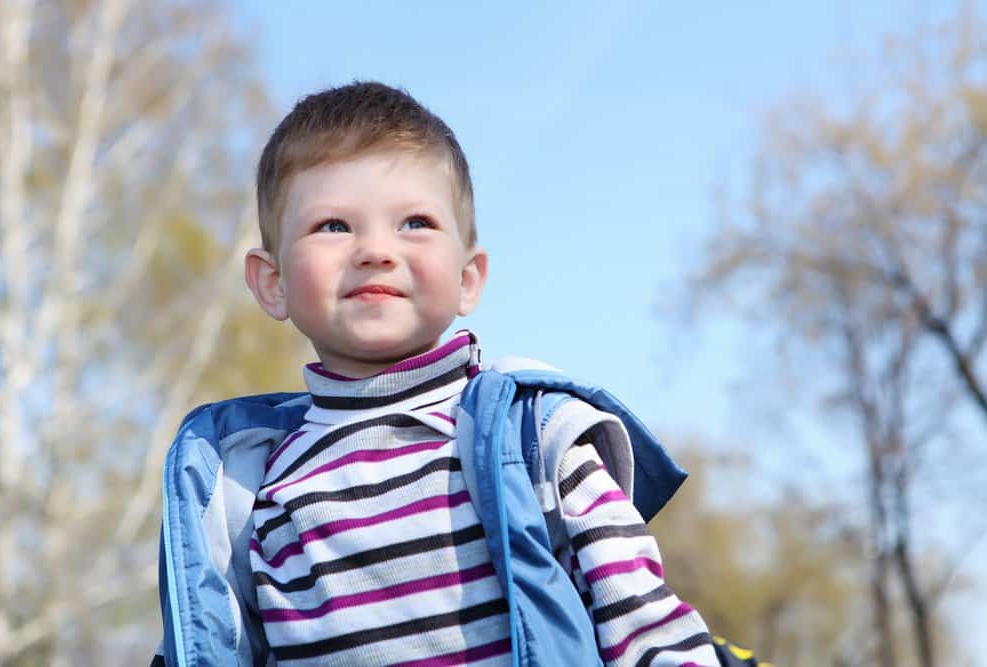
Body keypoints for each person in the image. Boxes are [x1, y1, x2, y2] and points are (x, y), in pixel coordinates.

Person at [152, 81, 735, 666]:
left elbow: (644, 625)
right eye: (333, 226)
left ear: (468, 278)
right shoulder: (243, 493)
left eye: (414, 223)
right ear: (272, 283)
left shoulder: (531, 441)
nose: (376, 250)